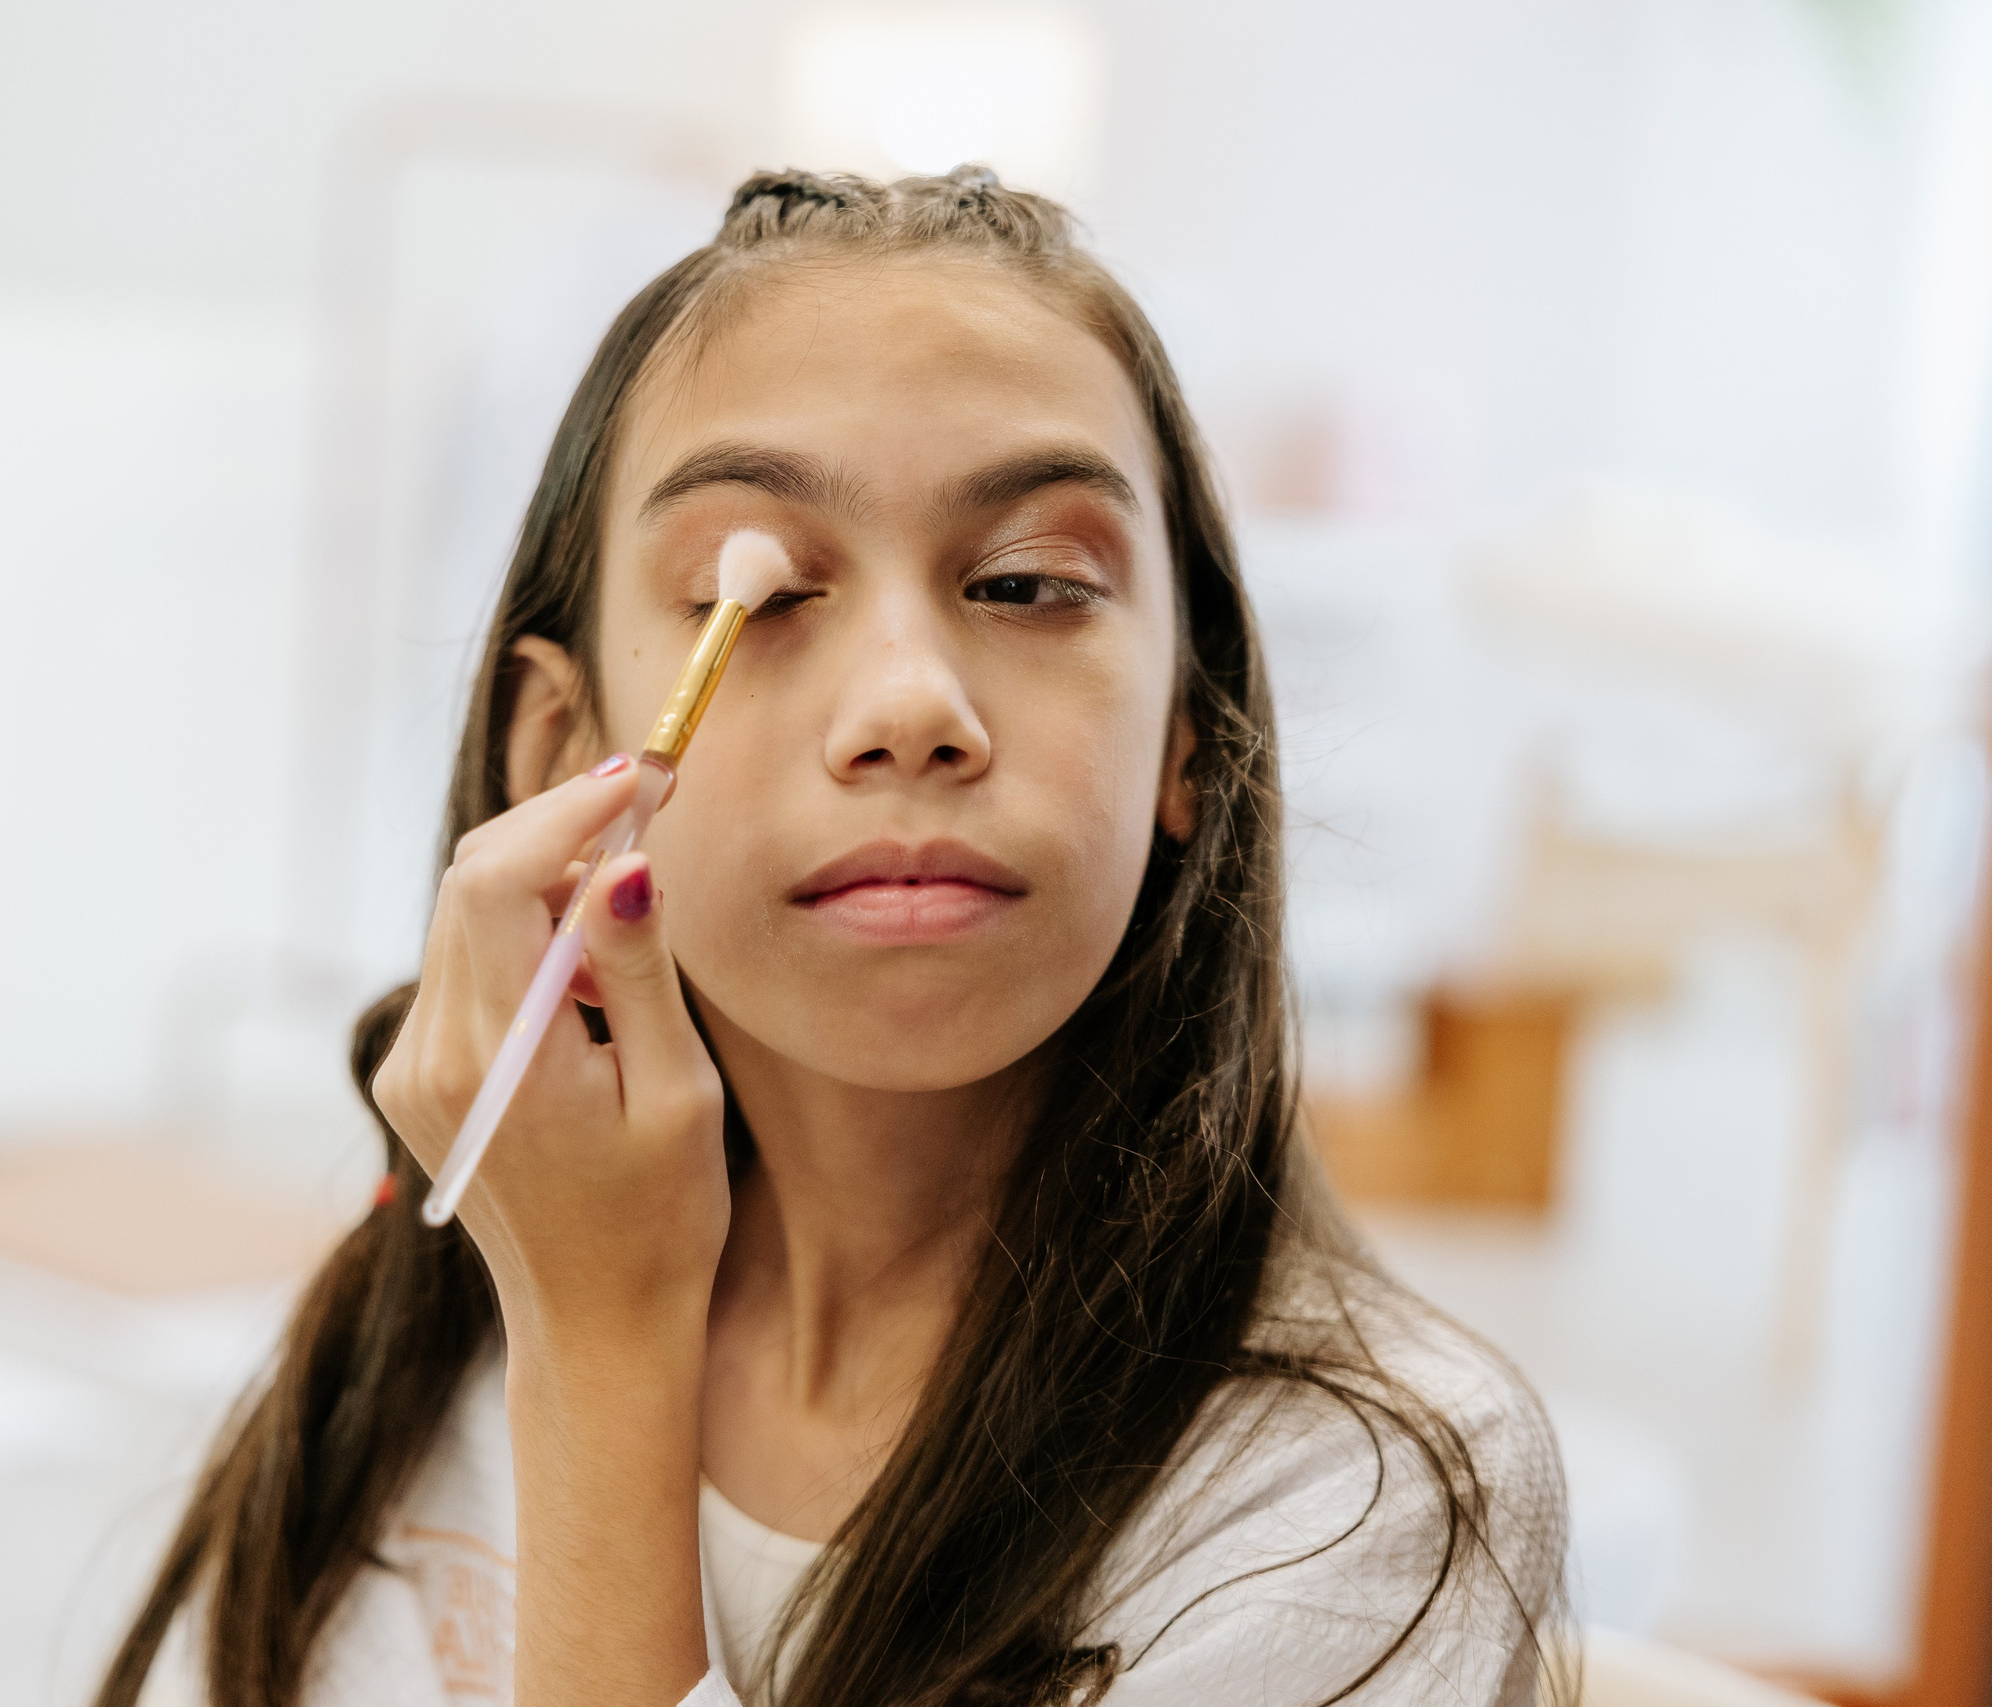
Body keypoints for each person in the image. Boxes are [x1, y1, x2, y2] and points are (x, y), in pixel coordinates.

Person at [97, 166, 1570, 1707]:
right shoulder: (424, 1334)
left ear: (1187, 750)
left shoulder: (1356, 1500)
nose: (908, 709)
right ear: (558, 751)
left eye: (1026, 583)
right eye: (769, 592)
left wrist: (600, 1360)